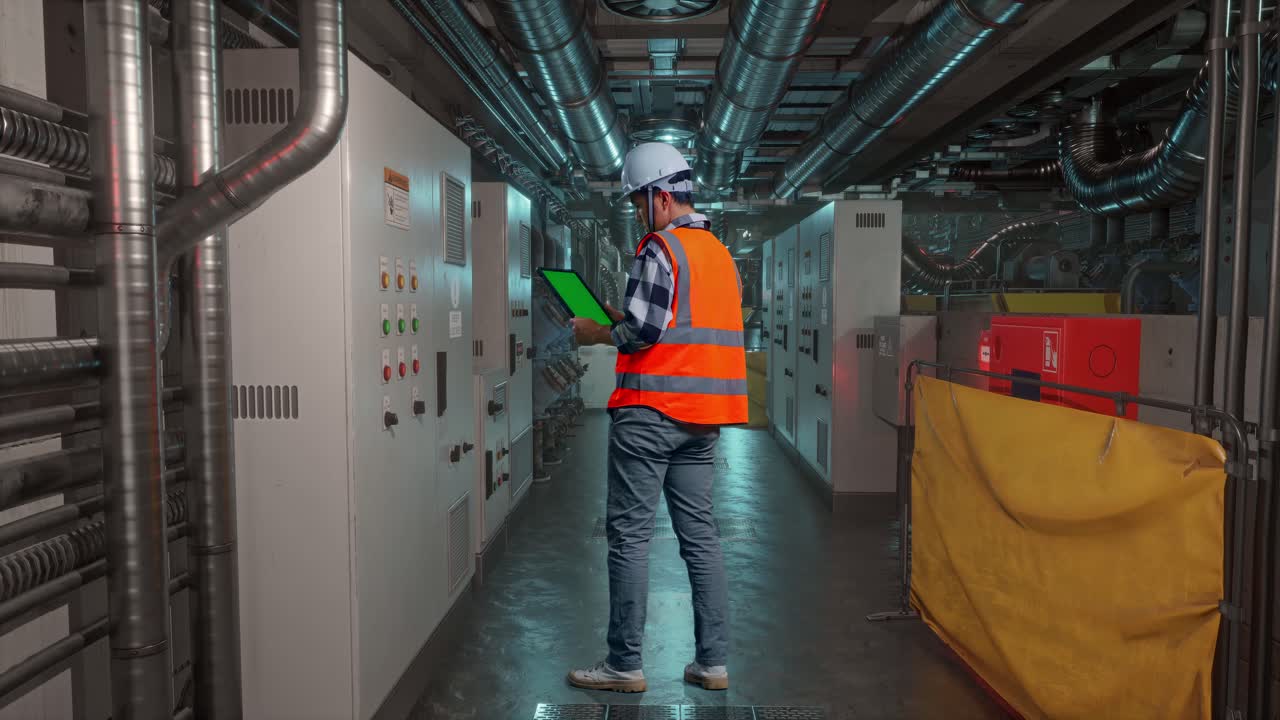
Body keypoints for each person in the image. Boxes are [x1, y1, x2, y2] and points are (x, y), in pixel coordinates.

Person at [568, 142, 748, 694]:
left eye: (639, 202)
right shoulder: (719, 254)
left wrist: (596, 330)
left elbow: (643, 333)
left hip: (649, 414)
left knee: (630, 538)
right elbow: (679, 324)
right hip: (702, 419)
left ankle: (624, 666)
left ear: (661, 196)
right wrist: (626, 316)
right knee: (701, 537)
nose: (638, 214)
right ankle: (711, 664)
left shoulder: (660, 249)